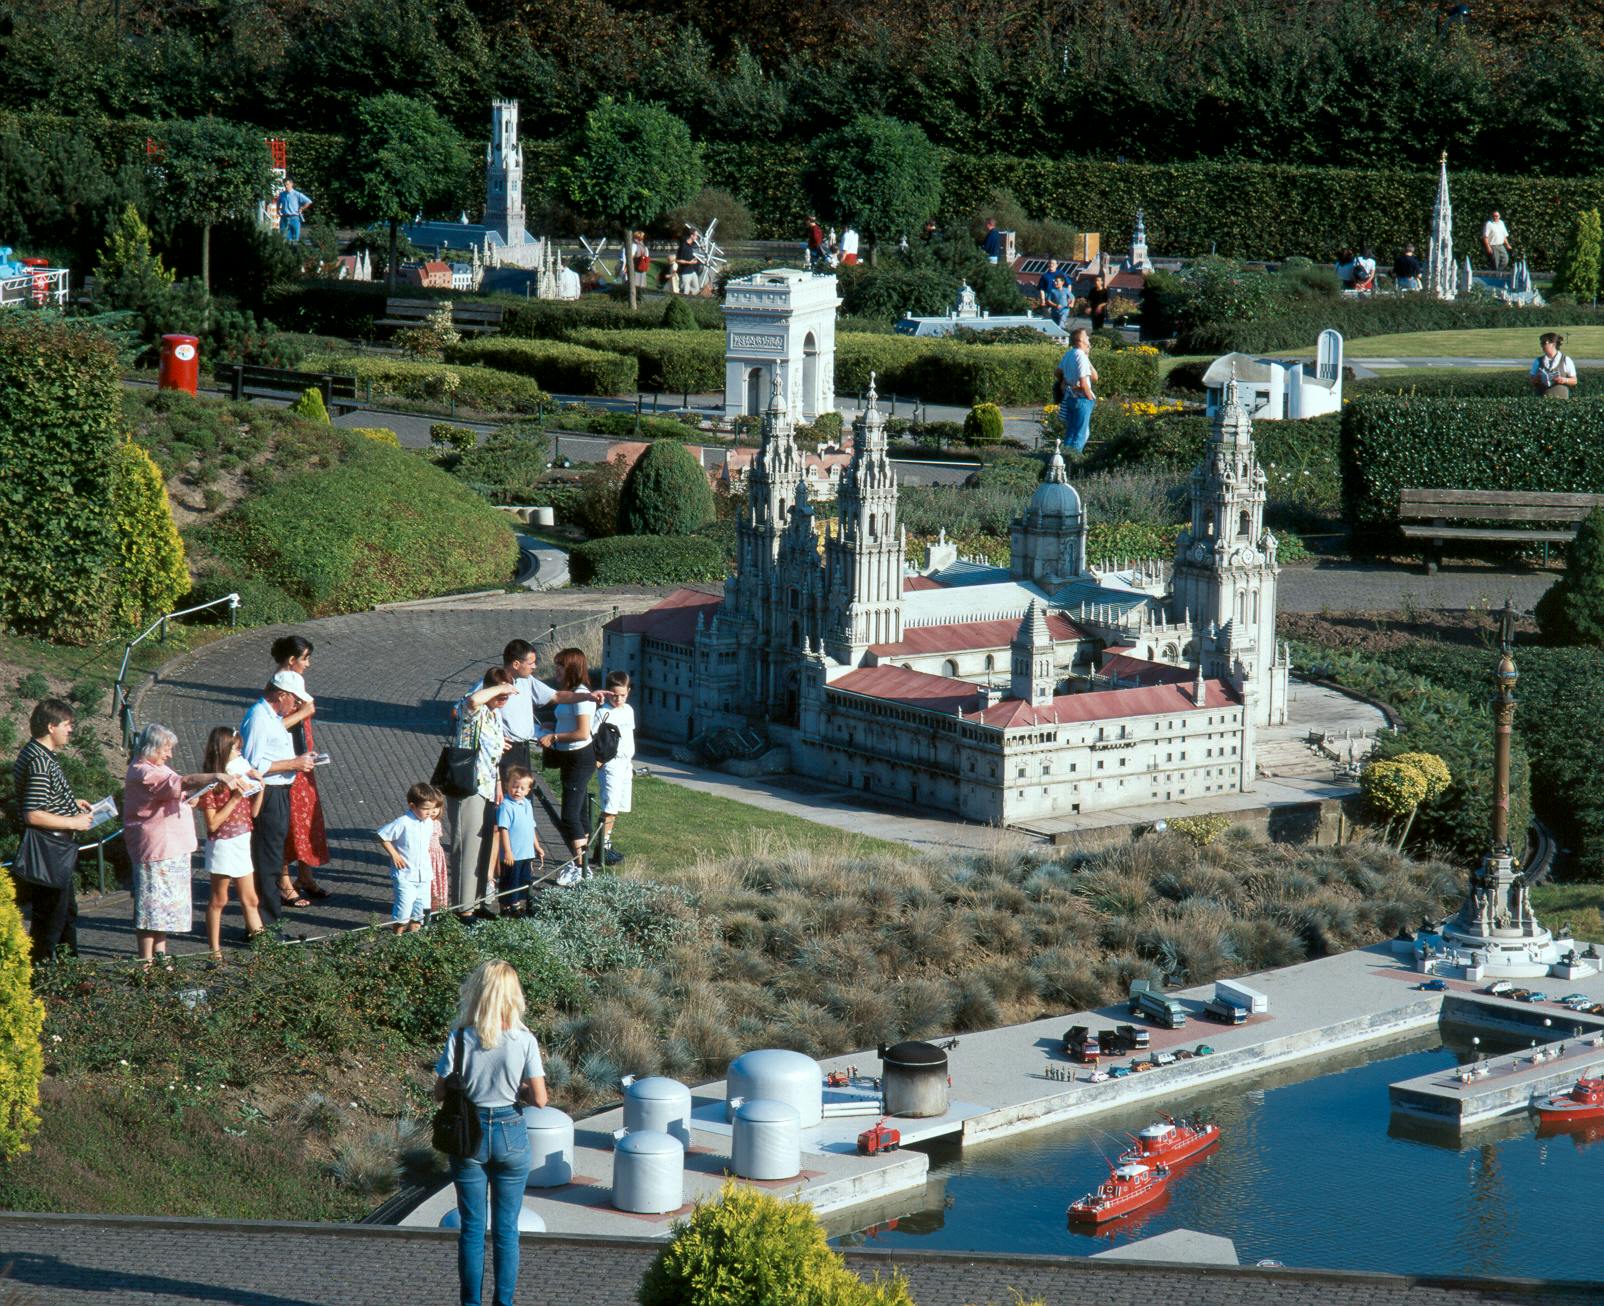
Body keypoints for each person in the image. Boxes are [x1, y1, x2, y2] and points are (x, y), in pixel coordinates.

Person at [435, 960, 545, 1306]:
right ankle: (504, 1302)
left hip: (470, 1133)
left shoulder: (460, 1038)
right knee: (506, 1231)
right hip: (511, 1131)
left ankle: (471, 1303)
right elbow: (539, 1099)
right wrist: (520, 1090)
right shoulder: (525, 1039)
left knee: (471, 1229)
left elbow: (440, 1093)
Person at [124, 723, 238, 966]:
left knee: (164, 911)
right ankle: (145, 962)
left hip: (172, 849)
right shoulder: (143, 772)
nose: (170, 754)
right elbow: (182, 781)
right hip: (156, 850)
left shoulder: (156, 767)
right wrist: (215, 776)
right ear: (151, 747)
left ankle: (161, 956)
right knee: (151, 909)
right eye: (166, 749)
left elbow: (174, 790)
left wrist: (187, 800)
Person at [11, 699, 92, 962]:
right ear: (50, 726)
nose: (71, 730)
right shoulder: (40, 761)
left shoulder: (37, 753)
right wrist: (73, 822)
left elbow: (40, 799)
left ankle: (69, 973)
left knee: (66, 912)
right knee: (52, 919)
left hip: (54, 850)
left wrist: (70, 803)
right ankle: (46, 978)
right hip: (50, 850)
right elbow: (32, 813)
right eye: (67, 725)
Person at [239, 672, 319, 923]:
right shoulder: (259, 719)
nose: (296, 707)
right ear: (281, 694)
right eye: (294, 700)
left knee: (273, 857)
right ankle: (266, 924)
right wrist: (293, 763)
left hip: (278, 792)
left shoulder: (271, 717)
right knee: (268, 859)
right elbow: (252, 764)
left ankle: (268, 921)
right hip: (268, 794)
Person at [450, 670, 517, 919]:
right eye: (500, 694)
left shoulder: (494, 715)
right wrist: (499, 688)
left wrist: (498, 782)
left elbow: (493, 755)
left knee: (484, 847)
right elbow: (471, 701)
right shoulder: (473, 707)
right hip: (468, 785)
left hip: (488, 786)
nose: (504, 699)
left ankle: (477, 902)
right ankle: (463, 909)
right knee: (468, 846)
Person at [197, 726, 265, 959]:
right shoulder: (212, 786)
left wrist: (260, 788)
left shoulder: (240, 777)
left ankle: (265, 951)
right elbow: (213, 824)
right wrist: (235, 798)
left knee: (251, 898)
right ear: (224, 751)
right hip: (223, 844)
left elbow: (253, 814)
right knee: (219, 899)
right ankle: (214, 952)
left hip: (242, 839)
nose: (240, 754)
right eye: (236, 750)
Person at [272, 636, 330, 904]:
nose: (308, 663)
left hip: (301, 758)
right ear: (292, 660)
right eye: (305, 658)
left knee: (305, 817)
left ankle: (304, 874)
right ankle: (283, 880)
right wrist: (306, 711)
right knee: (289, 818)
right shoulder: (281, 687)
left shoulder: (295, 681)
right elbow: (273, 728)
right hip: (287, 764)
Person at [536, 647, 595, 883]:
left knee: (569, 815)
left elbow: (582, 732)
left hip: (579, 758)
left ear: (571, 668)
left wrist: (555, 737)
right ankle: (582, 862)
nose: (556, 670)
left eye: (560, 666)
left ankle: (581, 867)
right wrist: (553, 727)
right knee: (579, 812)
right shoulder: (569, 693)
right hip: (569, 757)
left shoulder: (581, 694)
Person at [378, 782, 445, 935]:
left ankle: (415, 939)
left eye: (432, 808)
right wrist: (394, 854)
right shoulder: (403, 822)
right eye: (425, 809)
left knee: (420, 913)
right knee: (403, 913)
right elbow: (382, 835)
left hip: (424, 876)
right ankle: (397, 937)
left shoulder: (429, 822)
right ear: (412, 806)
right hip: (406, 876)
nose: (430, 813)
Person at [595, 671, 636, 867]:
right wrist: (598, 760)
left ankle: (607, 844)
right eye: (614, 695)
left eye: (622, 695)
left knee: (617, 807)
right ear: (607, 692)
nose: (618, 699)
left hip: (626, 762)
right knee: (609, 806)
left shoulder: (628, 710)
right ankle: (601, 848)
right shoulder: (603, 712)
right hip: (611, 763)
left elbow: (628, 735)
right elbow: (593, 737)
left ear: (628, 692)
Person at [494, 766, 544, 913]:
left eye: (522, 788)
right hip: (513, 855)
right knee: (510, 881)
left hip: (526, 853)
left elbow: (531, 827)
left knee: (523, 880)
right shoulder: (506, 806)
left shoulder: (527, 804)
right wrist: (508, 851)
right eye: (515, 787)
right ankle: (505, 907)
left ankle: (517, 903)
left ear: (528, 791)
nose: (518, 791)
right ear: (507, 785)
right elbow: (503, 829)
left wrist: (537, 846)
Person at [1058, 328, 1098, 454]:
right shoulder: (1080, 356)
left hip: (1070, 397)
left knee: (1071, 432)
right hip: (1082, 399)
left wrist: (1065, 381)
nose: (1088, 339)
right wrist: (1090, 398)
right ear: (1080, 340)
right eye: (1086, 336)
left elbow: (1057, 372)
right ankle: (1073, 461)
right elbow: (1084, 381)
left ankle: (1064, 459)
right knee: (1080, 435)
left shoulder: (1069, 354)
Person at [1531, 332, 1578, 397]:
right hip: (1541, 402)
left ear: (1553, 344)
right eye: (1541, 343)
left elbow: (1574, 381)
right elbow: (1531, 380)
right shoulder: (1538, 361)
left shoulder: (1566, 360)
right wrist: (1536, 379)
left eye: (1544, 343)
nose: (1541, 345)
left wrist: (1564, 380)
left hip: (1561, 401)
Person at [675, 224, 702, 296]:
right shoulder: (683, 246)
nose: (697, 237)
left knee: (697, 289)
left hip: (692, 272)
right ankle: (683, 290)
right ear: (691, 236)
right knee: (685, 292)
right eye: (696, 235)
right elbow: (678, 260)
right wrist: (689, 262)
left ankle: (687, 292)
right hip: (685, 273)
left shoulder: (691, 246)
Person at [630, 231, 650, 295]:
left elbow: (631, 257)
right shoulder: (644, 247)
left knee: (634, 285)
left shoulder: (634, 245)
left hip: (635, 268)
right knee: (642, 285)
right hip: (643, 268)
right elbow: (646, 257)